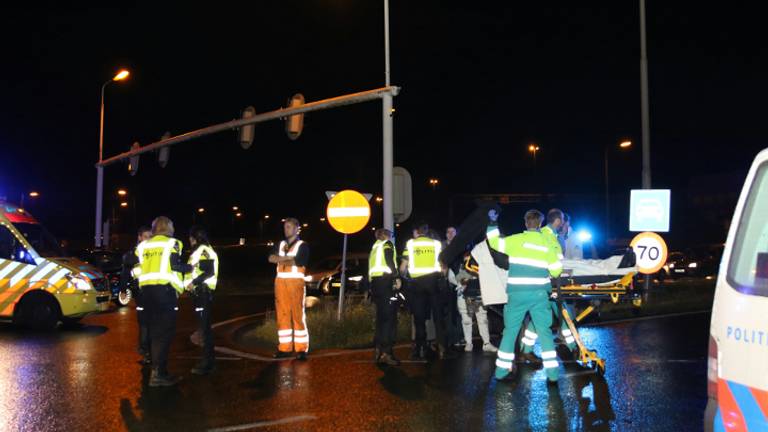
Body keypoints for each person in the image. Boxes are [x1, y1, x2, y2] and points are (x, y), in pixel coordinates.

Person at [487, 209, 563, 384]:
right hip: (538, 295)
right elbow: (556, 270)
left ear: (525, 223)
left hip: (516, 294)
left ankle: (500, 372)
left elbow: (493, 242)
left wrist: (492, 223)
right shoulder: (546, 242)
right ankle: (552, 375)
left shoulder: (515, 240)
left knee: (510, 332)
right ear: (540, 223)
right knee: (544, 332)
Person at [133, 216, 192, 387]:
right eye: (172, 225)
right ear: (167, 227)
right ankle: (158, 374)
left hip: (146, 293)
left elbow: (136, 266)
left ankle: (157, 370)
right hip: (164, 293)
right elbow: (174, 266)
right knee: (164, 333)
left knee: (153, 332)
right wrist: (189, 268)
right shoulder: (172, 243)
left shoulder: (144, 246)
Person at [519, 208, 577, 363]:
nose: (564, 223)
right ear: (558, 221)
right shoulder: (546, 234)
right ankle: (573, 347)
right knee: (565, 315)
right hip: (548, 282)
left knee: (540, 318)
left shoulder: (553, 235)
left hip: (549, 281)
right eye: (563, 220)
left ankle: (527, 349)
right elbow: (549, 259)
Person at [400, 223, 451, 360]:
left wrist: (403, 277)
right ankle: (442, 348)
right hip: (434, 283)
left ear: (417, 232)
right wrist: (443, 277)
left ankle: (420, 348)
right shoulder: (436, 244)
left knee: (419, 318)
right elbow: (443, 265)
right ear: (427, 232)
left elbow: (403, 266)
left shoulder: (410, 244)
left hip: (417, 285)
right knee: (438, 317)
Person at [268, 218, 310, 360]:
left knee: (298, 315)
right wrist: (286, 259)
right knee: (282, 315)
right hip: (280, 283)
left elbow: (299, 261)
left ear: (297, 229)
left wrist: (280, 258)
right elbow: (270, 258)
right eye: (285, 227)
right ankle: (284, 348)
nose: (286, 229)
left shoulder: (302, 245)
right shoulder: (280, 244)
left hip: (295, 283)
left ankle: (301, 349)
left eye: (289, 227)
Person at [184, 226, 219, 375]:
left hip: (202, 292)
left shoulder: (203, 250)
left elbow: (209, 270)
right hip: (200, 293)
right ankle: (209, 361)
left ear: (195, 238)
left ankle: (207, 363)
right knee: (205, 328)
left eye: (191, 238)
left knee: (204, 329)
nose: (189, 241)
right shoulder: (201, 251)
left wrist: (194, 283)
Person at [368, 228, 401, 366]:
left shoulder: (375, 247)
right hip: (386, 283)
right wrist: (397, 276)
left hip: (376, 285)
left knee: (381, 318)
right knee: (389, 319)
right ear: (386, 236)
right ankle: (387, 353)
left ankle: (378, 348)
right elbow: (389, 260)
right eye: (391, 235)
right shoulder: (387, 244)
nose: (392, 238)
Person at [120, 225, 152, 365]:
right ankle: (145, 352)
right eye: (145, 236)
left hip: (153, 291)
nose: (148, 239)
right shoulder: (133, 254)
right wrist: (122, 288)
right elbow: (125, 272)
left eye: (150, 237)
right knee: (144, 323)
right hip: (140, 293)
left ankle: (150, 352)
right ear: (139, 237)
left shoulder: (153, 252)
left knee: (152, 323)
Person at [455, 253, 497, 353]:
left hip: (479, 296)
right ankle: (468, 342)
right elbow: (455, 278)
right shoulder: (459, 266)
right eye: (466, 258)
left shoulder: (480, 266)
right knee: (466, 320)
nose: (468, 260)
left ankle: (486, 343)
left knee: (482, 319)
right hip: (464, 296)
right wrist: (463, 281)